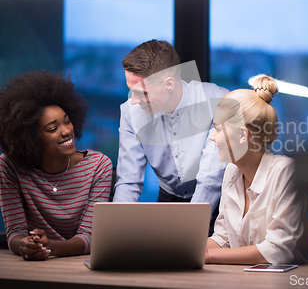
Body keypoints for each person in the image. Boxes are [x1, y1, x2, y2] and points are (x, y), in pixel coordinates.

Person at [113, 40, 228, 234]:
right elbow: (128, 181)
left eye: (141, 93)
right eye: (130, 91)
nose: (133, 101)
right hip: (168, 198)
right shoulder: (130, 111)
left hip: (218, 202)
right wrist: (114, 232)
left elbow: (210, 180)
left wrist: (188, 232)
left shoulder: (217, 102)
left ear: (169, 83)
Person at [205, 76, 308, 265]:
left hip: (294, 282)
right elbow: (223, 239)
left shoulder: (287, 172)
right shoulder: (232, 171)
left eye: (218, 129)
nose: (212, 137)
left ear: (243, 135)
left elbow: (277, 251)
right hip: (248, 278)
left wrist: (207, 256)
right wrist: (182, 249)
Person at [0, 71, 113, 260]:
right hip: (33, 269)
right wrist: (26, 246)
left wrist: (51, 247)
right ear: (31, 138)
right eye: (53, 129)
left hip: (80, 265)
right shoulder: (10, 167)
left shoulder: (99, 166)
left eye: (67, 121)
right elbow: (15, 233)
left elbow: (90, 237)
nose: (67, 131)